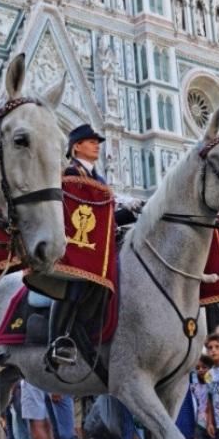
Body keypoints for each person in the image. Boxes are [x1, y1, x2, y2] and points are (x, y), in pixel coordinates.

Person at [47, 124, 143, 366]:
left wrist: (134, 213)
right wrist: (118, 199)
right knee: (74, 286)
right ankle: (57, 340)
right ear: (76, 146)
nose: (97, 145)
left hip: (97, 249)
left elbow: (105, 219)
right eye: (91, 141)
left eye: (98, 141)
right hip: (75, 245)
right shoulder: (70, 173)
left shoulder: (98, 179)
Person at [191, 354, 215, 439]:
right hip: (200, 423)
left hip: (213, 422)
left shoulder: (213, 384)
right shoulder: (194, 386)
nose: (200, 370)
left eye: (204, 367)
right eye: (197, 368)